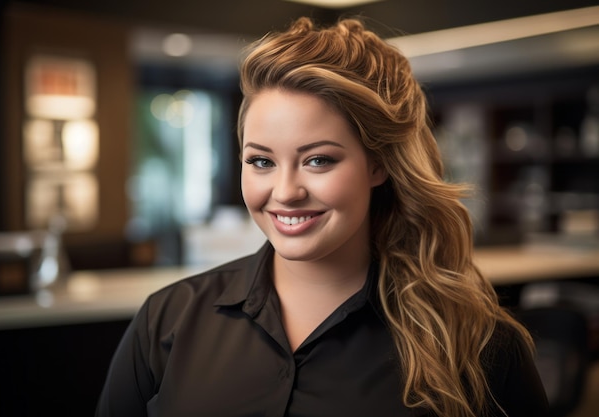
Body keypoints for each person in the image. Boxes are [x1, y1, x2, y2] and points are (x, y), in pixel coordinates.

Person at [95, 17, 548, 417]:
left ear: (378, 164)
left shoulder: (478, 344)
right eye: (261, 161)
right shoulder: (166, 319)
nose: (285, 192)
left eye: (318, 161)